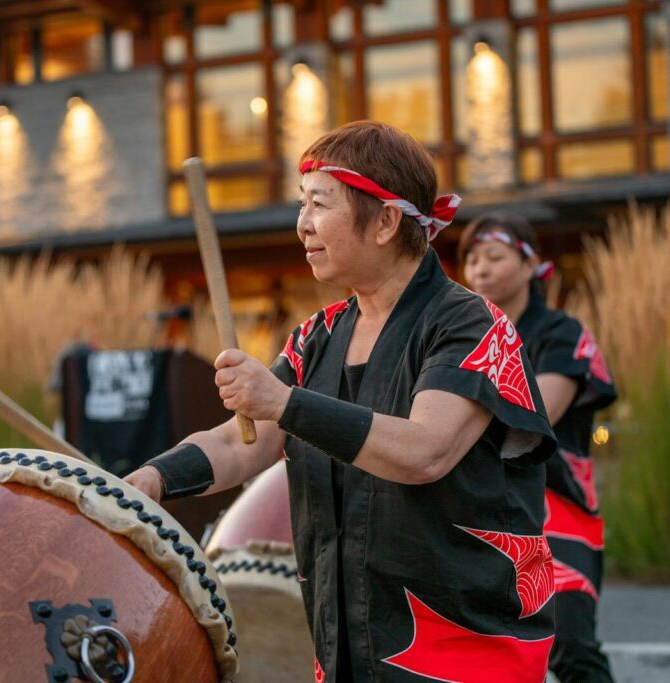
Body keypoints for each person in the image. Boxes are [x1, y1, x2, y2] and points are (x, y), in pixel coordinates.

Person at [126, 121, 558, 682]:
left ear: (385, 221)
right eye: (301, 204)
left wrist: (284, 403)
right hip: (346, 643)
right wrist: (153, 480)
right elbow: (242, 441)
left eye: (319, 204)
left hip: (463, 650)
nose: (302, 224)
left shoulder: (471, 325)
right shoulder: (317, 337)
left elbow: (425, 451)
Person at [460, 213, 617, 683]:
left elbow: (535, 415)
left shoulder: (560, 334)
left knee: (570, 646)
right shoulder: (459, 334)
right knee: (481, 656)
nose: (479, 269)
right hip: (475, 508)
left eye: (494, 256)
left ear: (530, 266)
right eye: (470, 260)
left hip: (557, 512)